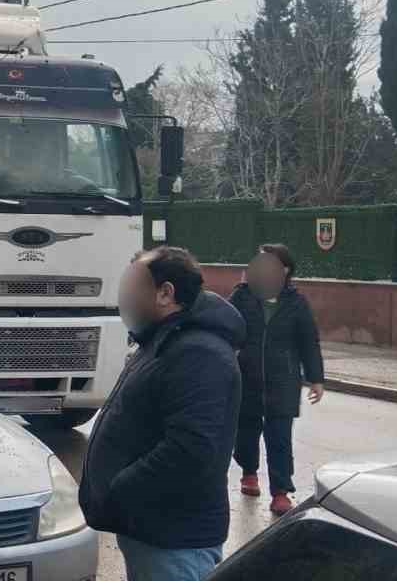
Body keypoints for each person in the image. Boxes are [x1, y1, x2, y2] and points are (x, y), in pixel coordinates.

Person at [80, 247, 244, 581]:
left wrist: (120, 489)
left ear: (165, 293)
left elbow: (190, 450)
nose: (122, 298)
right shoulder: (162, 342)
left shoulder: (199, 353)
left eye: (131, 288)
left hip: (173, 540)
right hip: (152, 530)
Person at [229, 244, 325, 516]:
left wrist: (316, 378)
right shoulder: (242, 296)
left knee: (279, 437)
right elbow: (224, 327)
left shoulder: (296, 302)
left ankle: (281, 492)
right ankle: (249, 472)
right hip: (247, 378)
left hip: (283, 380)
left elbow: (309, 341)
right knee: (246, 431)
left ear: (284, 269)